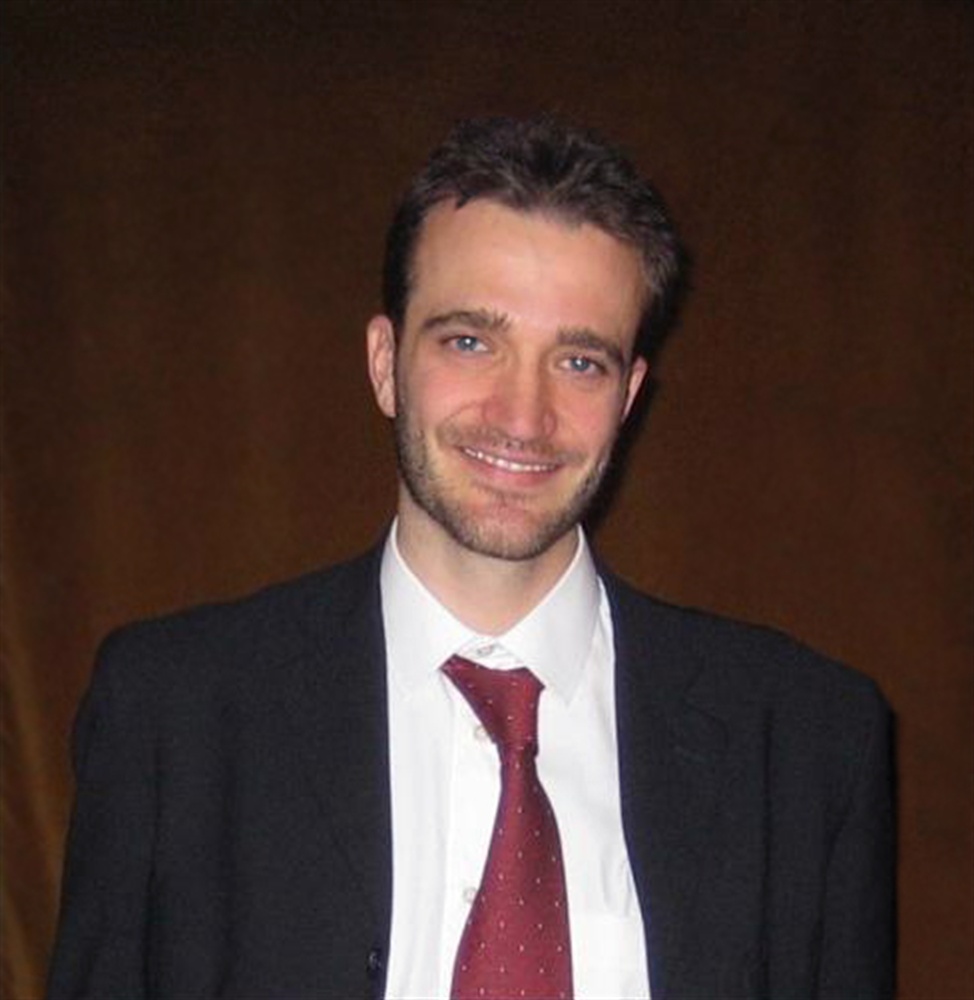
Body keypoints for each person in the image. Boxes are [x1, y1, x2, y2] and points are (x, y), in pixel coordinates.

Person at [47, 116, 894, 1000]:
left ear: (629, 396)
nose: (523, 416)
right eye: (470, 342)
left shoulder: (807, 743)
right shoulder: (174, 716)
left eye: (579, 361)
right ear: (386, 363)